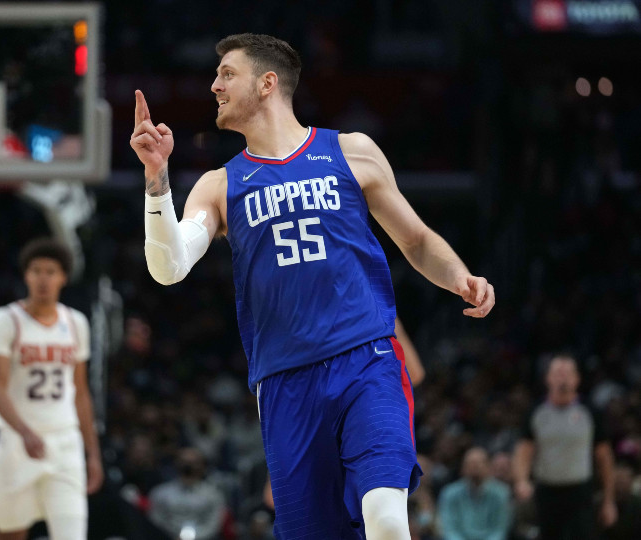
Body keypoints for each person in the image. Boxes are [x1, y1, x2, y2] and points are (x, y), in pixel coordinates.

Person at [130, 33, 495, 540]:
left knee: (387, 519)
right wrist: (157, 178)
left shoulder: (351, 151)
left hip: (366, 358)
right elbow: (168, 267)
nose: (215, 85)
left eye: (227, 74)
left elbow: (415, 239)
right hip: (285, 381)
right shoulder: (220, 184)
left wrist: (459, 277)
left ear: (267, 83)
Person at [0, 237, 104, 540]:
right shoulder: (5, 320)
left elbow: (81, 392)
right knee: (10, 534)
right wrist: (24, 431)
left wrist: (93, 453)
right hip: (14, 441)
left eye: (50, 272)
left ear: (63, 277)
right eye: (36, 271)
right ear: (26, 276)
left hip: (64, 442)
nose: (43, 279)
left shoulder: (75, 323)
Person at [513, 354, 617, 540]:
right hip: (546, 490)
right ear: (548, 378)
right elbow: (524, 451)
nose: (563, 379)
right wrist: (521, 480)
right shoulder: (536, 411)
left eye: (567, 374)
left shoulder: (590, 411)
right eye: (558, 373)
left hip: (580, 491)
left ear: (577, 379)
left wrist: (609, 500)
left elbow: (604, 457)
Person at [148, 447, 226, 540]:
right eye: (184, 461)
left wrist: (189, 538)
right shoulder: (160, 493)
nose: (188, 466)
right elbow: (156, 522)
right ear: (176, 463)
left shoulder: (213, 495)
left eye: (193, 462)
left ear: (202, 466)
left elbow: (213, 525)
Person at [436, 447, 511, 540]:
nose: (474, 467)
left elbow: (499, 530)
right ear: (463, 468)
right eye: (470, 463)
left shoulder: (501, 493)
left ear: (488, 467)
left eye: (478, 463)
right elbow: (449, 529)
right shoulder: (449, 493)